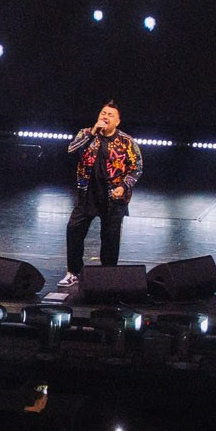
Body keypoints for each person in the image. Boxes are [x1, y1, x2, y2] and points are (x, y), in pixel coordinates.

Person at [59, 101, 141, 292]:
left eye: (110, 115)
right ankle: (74, 272)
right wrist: (91, 133)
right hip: (87, 194)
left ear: (117, 121)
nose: (105, 117)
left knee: (110, 238)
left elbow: (136, 168)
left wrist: (124, 186)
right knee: (74, 229)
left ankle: (107, 276)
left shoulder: (127, 142)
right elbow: (71, 150)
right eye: (103, 113)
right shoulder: (86, 134)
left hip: (113, 198)